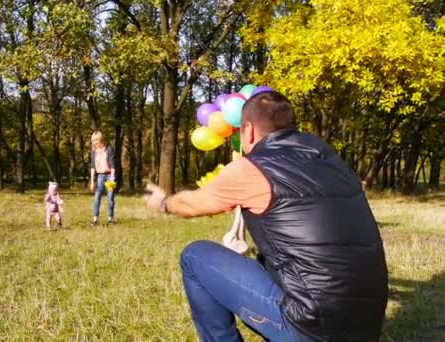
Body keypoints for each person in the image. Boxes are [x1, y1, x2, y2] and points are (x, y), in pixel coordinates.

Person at [144, 91, 388, 341]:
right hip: (367, 325)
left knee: (195, 257)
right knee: (265, 264)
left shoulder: (254, 166)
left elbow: (189, 204)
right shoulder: (331, 159)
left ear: (248, 130)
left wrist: (163, 202)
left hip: (313, 328)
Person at [90, 131, 116, 225]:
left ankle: (110, 219)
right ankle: (95, 219)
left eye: (95, 141)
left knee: (110, 197)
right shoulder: (93, 151)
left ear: (100, 140)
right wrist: (92, 181)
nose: (94, 143)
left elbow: (113, 165)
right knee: (97, 197)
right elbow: (92, 166)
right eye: (93, 141)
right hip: (100, 176)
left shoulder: (108, 149)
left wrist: (112, 178)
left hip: (109, 175)